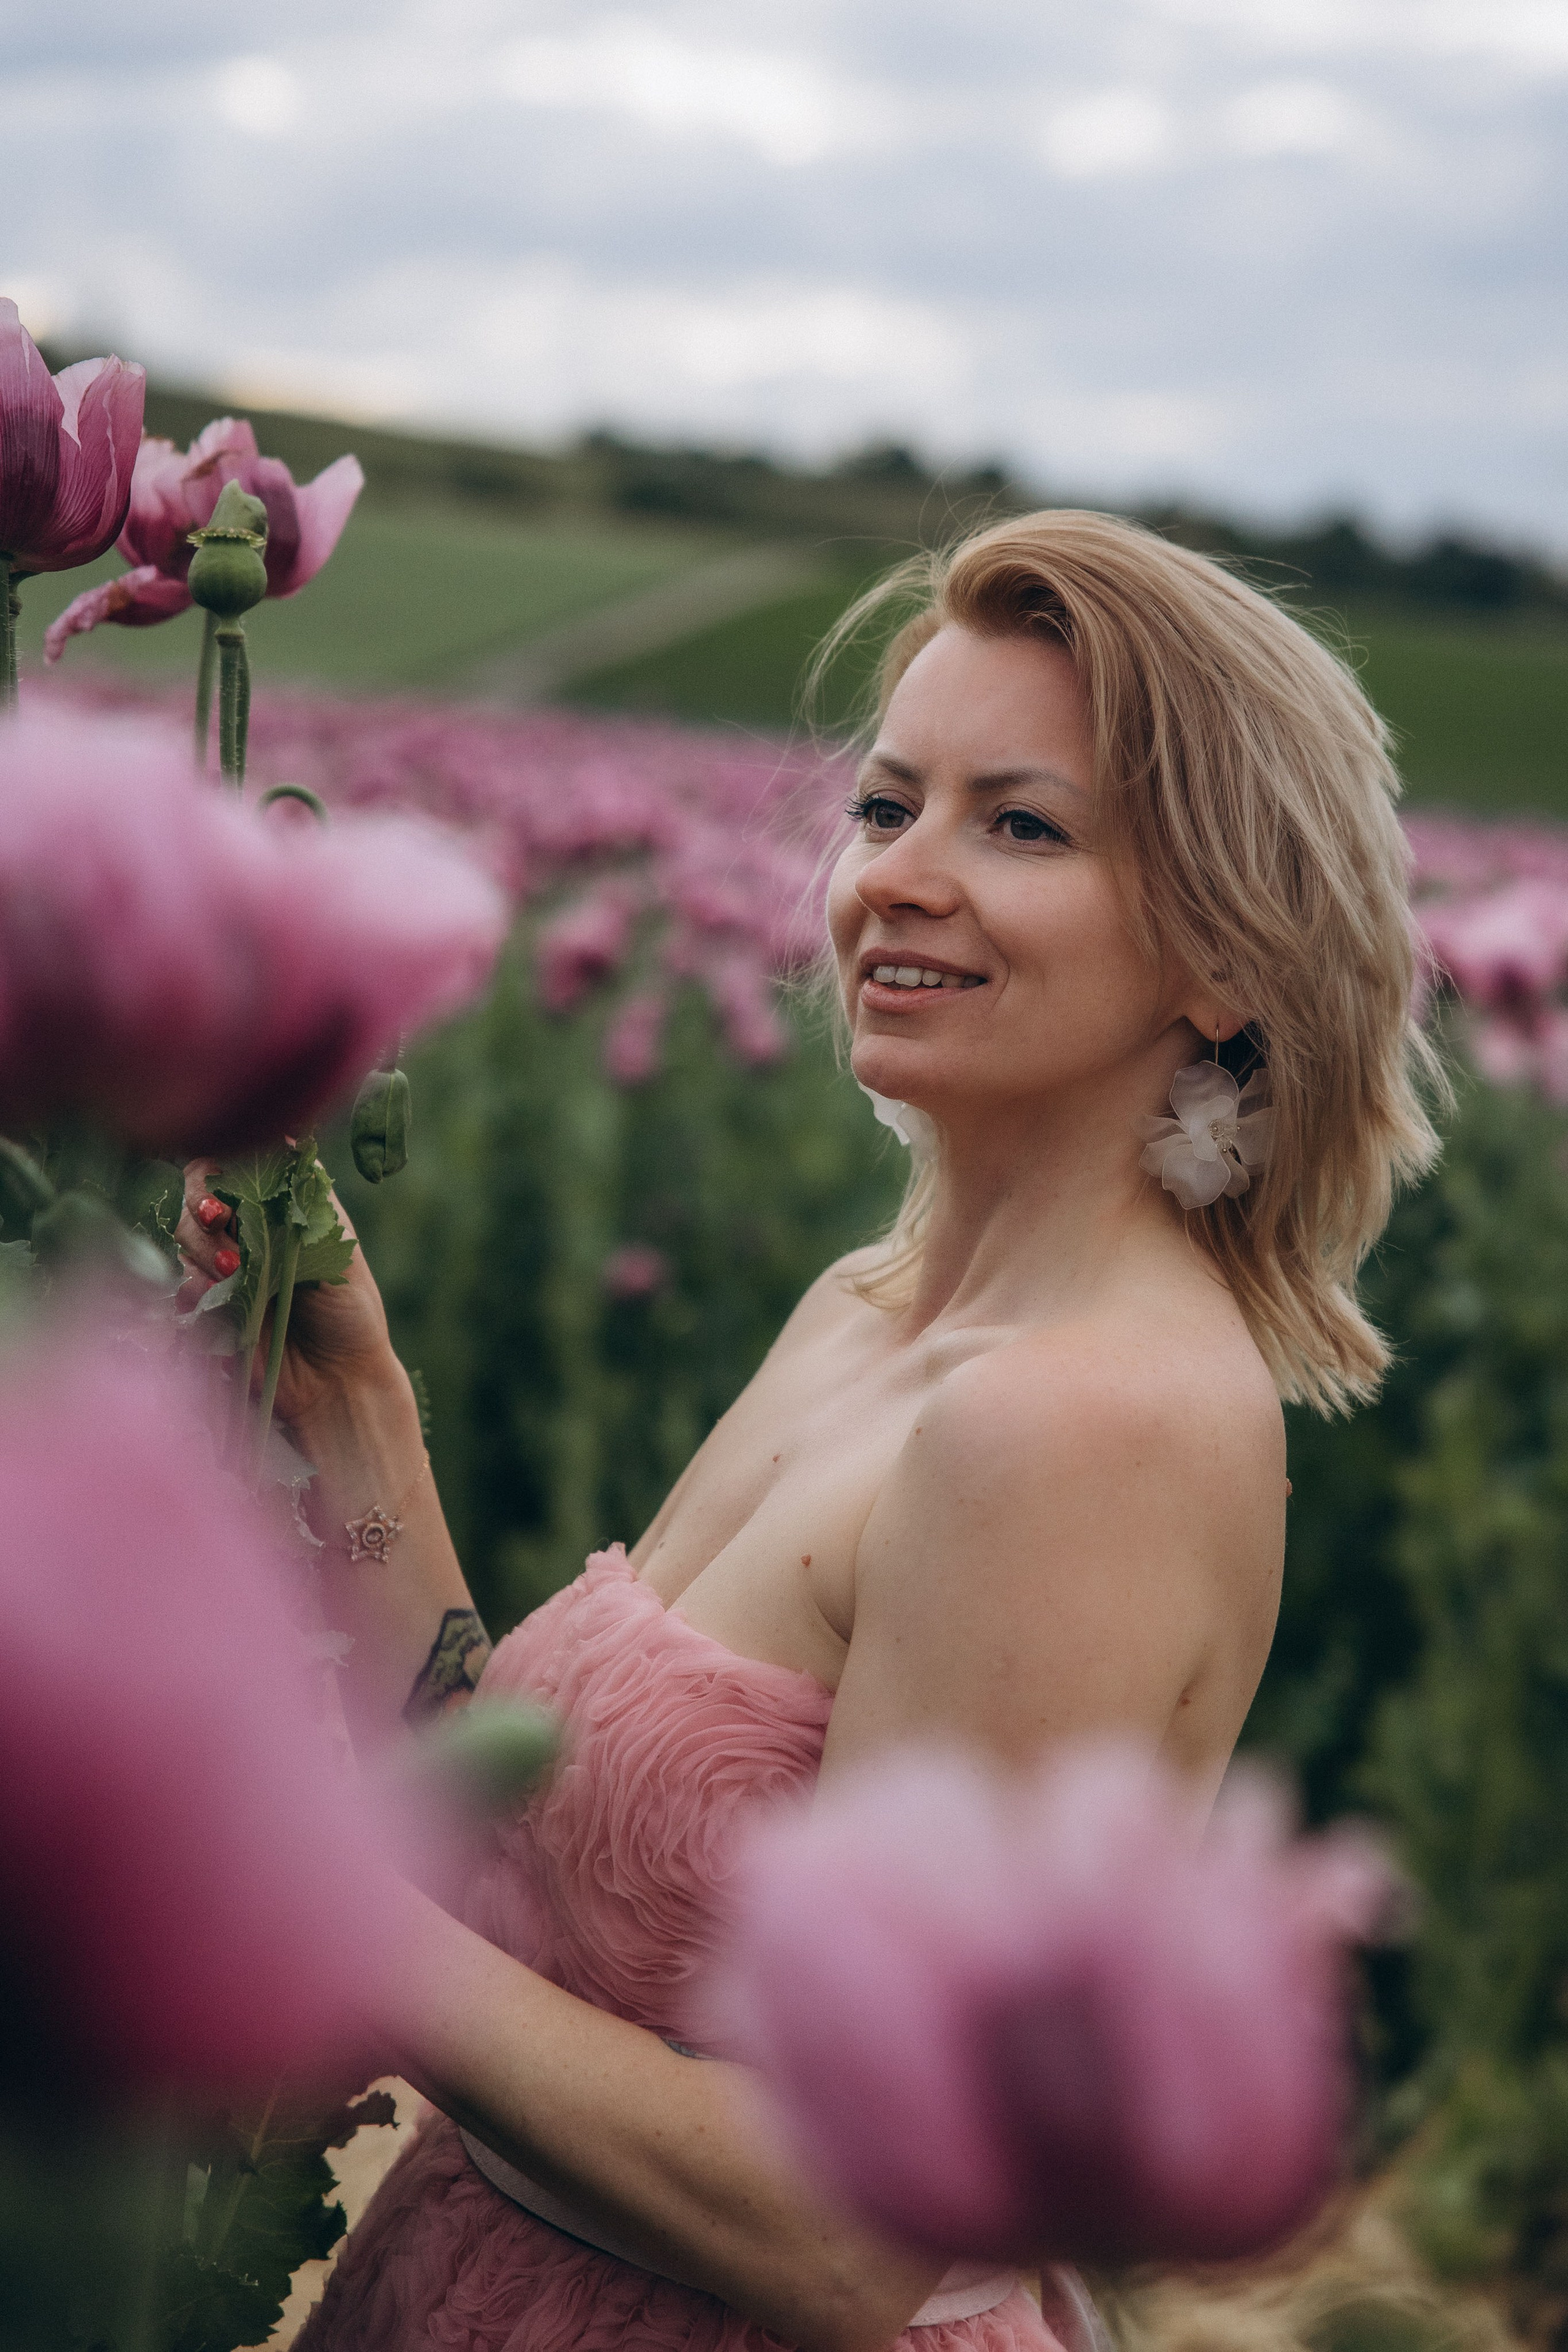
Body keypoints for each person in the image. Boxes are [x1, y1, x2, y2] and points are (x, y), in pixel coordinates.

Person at [179, 508, 1438, 2352]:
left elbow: (849, 2238)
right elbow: (527, 1856)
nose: (899, 877)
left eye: (1022, 826)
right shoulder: (870, 1302)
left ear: (1225, 959)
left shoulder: (1081, 1428)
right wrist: (353, 1406)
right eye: (886, 805)